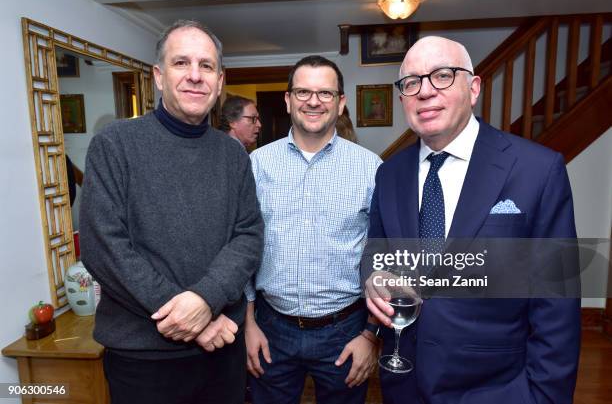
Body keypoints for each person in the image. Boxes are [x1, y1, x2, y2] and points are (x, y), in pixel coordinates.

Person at [364, 36, 580, 404]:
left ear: (474, 87)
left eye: (443, 76)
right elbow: (377, 253)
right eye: (411, 83)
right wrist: (373, 276)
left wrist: (543, 395)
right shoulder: (389, 173)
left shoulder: (537, 170)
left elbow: (556, 303)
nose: (425, 91)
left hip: (499, 390)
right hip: (404, 385)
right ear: (402, 98)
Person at [79, 20, 264, 404]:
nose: (195, 76)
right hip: (144, 361)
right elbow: (104, 248)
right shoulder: (114, 145)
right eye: (182, 63)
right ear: (159, 77)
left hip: (221, 354)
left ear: (219, 80)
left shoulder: (233, 154)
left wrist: (204, 300)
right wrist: (195, 321)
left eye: (206, 66)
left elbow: (248, 235)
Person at [245, 55, 383, 404]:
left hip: (345, 331)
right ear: (288, 100)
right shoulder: (256, 165)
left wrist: (371, 335)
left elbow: (382, 256)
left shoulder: (370, 168)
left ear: (340, 103)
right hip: (270, 328)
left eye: (325, 92)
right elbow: (241, 245)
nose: (313, 101)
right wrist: (248, 324)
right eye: (303, 91)